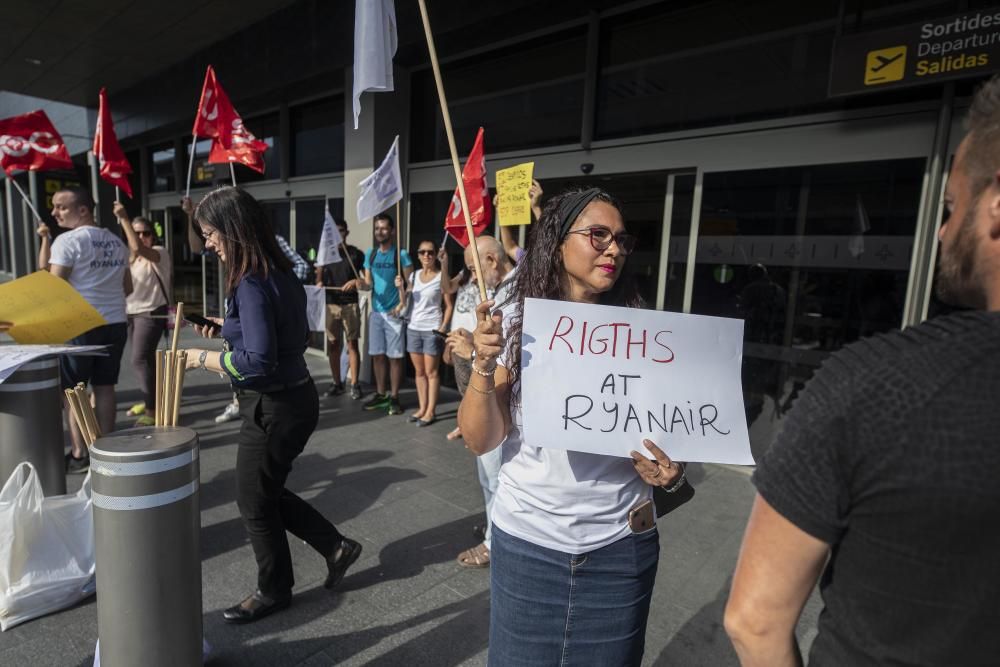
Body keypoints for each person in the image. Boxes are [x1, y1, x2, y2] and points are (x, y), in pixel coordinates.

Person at [724, 76, 1000, 667]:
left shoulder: (871, 386)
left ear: (997, 204)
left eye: (951, 207)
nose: (943, 230)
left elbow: (754, 621)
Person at [459, 190, 686, 664]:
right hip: (528, 546)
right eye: (598, 235)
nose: (614, 249)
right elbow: (481, 439)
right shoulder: (520, 324)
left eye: (622, 240)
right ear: (557, 243)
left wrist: (670, 470)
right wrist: (484, 362)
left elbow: (671, 436)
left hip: (621, 549)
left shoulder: (644, 334)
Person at [183, 187, 361, 624]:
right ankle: (335, 546)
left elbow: (260, 362)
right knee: (266, 490)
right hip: (294, 398)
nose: (207, 243)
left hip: (274, 407)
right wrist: (228, 330)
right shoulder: (277, 273)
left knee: (253, 500)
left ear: (232, 230)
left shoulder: (250, 283)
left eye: (209, 233)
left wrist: (201, 359)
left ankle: (274, 590)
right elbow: (280, 335)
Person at [38, 187, 131, 474]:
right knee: (105, 387)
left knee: (73, 393)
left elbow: (54, 289)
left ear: (83, 210)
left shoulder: (67, 241)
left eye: (60, 207)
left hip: (80, 325)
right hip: (115, 321)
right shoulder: (117, 242)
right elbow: (128, 288)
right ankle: (107, 449)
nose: (54, 213)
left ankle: (80, 454)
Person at [453, 235, 515, 569]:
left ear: (491, 259)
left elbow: (510, 356)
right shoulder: (501, 292)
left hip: (504, 405)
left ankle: (494, 542)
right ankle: (495, 527)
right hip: (489, 398)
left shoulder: (518, 290)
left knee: (495, 478)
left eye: (473, 269)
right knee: (486, 477)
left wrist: (473, 352)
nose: (473, 277)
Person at [114, 202, 171, 427]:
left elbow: (138, 247)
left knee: (138, 360)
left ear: (152, 236)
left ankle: (152, 410)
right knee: (146, 361)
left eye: (145, 233)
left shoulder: (158, 252)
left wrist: (124, 217)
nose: (141, 237)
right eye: (137, 233)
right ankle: (152, 402)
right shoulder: (131, 257)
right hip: (131, 313)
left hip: (151, 313)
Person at [359, 213, 412, 416]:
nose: (379, 232)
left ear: (392, 231)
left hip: (394, 314)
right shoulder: (370, 254)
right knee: (378, 356)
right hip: (376, 313)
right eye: (377, 228)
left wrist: (401, 303)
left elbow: (411, 283)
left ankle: (395, 397)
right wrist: (359, 283)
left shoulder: (401, 254)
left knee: (395, 358)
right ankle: (381, 394)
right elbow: (368, 283)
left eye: (383, 228)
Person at [401, 239, 455, 426]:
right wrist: (401, 288)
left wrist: (443, 326)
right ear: (417, 255)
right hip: (413, 328)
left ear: (435, 255)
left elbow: (448, 306)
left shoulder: (441, 277)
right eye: (422, 252)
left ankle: (431, 411)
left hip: (431, 329)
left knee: (431, 373)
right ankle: (422, 408)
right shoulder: (413, 276)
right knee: (419, 372)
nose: (426, 255)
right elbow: (406, 301)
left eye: (430, 252)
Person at [316, 219, 366, 399]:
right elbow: (319, 281)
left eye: (341, 231)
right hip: (331, 304)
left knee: (352, 344)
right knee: (333, 345)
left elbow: (366, 283)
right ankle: (337, 383)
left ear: (347, 232)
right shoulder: (324, 255)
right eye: (334, 232)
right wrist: (319, 283)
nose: (338, 235)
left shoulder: (356, 254)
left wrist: (355, 282)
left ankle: (354, 384)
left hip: (350, 304)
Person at [444, 270, 478, 441]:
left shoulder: (486, 277)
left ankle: (473, 427)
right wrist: (444, 264)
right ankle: (464, 425)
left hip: (474, 341)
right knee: (463, 388)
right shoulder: (464, 274)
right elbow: (447, 287)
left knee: (476, 388)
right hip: (458, 339)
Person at [497, 178, 543, 264]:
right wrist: (502, 211)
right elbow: (510, 247)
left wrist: (536, 208)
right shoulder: (530, 263)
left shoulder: (553, 262)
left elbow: (549, 239)